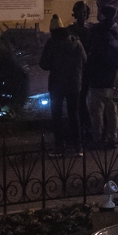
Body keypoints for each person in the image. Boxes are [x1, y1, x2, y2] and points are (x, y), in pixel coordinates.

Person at [38, 25, 86, 153]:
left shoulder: (52, 43)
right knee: (74, 115)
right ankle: (78, 146)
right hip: (74, 84)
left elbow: (43, 64)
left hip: (56, 85)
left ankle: (59, 146)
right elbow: (84, 59)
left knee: (57, 116)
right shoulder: (76, 42)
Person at [84, 5, 118, 147]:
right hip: (111, 79)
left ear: (101, 14)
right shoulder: (117, 32)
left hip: (96, 80)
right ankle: (112, 138)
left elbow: (88, 53)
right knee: (112, 112)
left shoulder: (95, 31)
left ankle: (97, 138)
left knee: (96, 113)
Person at [67, 1, 95, 143]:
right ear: (75, 13)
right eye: (80, 12)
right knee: (79, 99)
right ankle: (85, 126)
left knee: (83, 98)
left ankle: (87, 126)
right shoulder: (71, 30)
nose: (82, 15)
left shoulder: (92, 29)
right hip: (76, 69)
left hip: (88, 68)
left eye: (84, 13)